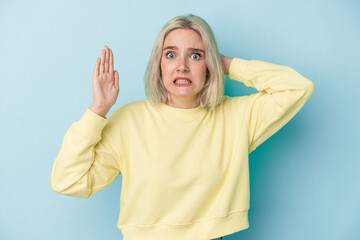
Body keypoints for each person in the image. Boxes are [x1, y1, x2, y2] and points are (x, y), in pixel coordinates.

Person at [50, 14, 315, 240]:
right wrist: (98, 111)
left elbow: (298, 88)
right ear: (159, 65)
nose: (182, 66)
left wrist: (227, 64)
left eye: (196, 56)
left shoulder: (237, 115)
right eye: (171, 54)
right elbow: (68, 182)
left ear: (209, 65)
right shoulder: (128, 120)